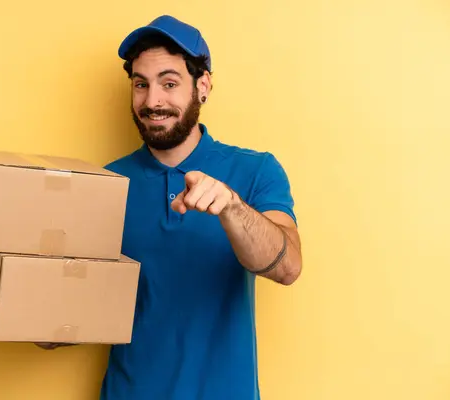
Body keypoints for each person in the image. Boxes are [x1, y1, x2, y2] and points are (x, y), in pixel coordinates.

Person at [41, 14, 303, 400]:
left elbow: (288, 267)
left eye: (169, 83)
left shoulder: (255, 170)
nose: (152, 101)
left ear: (203, 86)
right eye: (140, 85)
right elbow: (60, 322)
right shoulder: (104, 185)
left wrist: (232, 207)